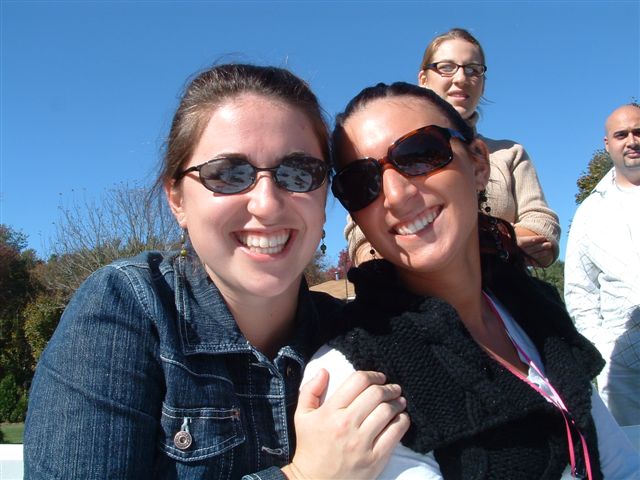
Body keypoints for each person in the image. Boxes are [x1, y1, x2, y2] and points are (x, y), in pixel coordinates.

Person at [23, 64, 409, 479]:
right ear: (177, 200)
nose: (267, 204)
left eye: (298, 173)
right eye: (228, 174)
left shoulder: (355, 334)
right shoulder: (125, 308)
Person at [303, 82, 639, 479]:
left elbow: (618, 463)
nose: (394, 195)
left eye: (419, 154)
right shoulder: (352, 373)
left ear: (479, 164)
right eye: (362, 182)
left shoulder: (535, 310)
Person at [346, 28, 560, 268]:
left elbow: (542, 228)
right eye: (447, 67)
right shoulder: (386, 150)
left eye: (473, 69)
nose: (461, 78)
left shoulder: (510, 153)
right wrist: (500, 243)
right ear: (423, 79)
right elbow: (364, 244)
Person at [564, 104, 640, 427]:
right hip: (623, 368)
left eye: (638, 132)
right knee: (632, 450)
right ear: (608, 144)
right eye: (621, 135)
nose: (632, 141)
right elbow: (579, 291)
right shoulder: (590, 213)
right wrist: (603, 349)